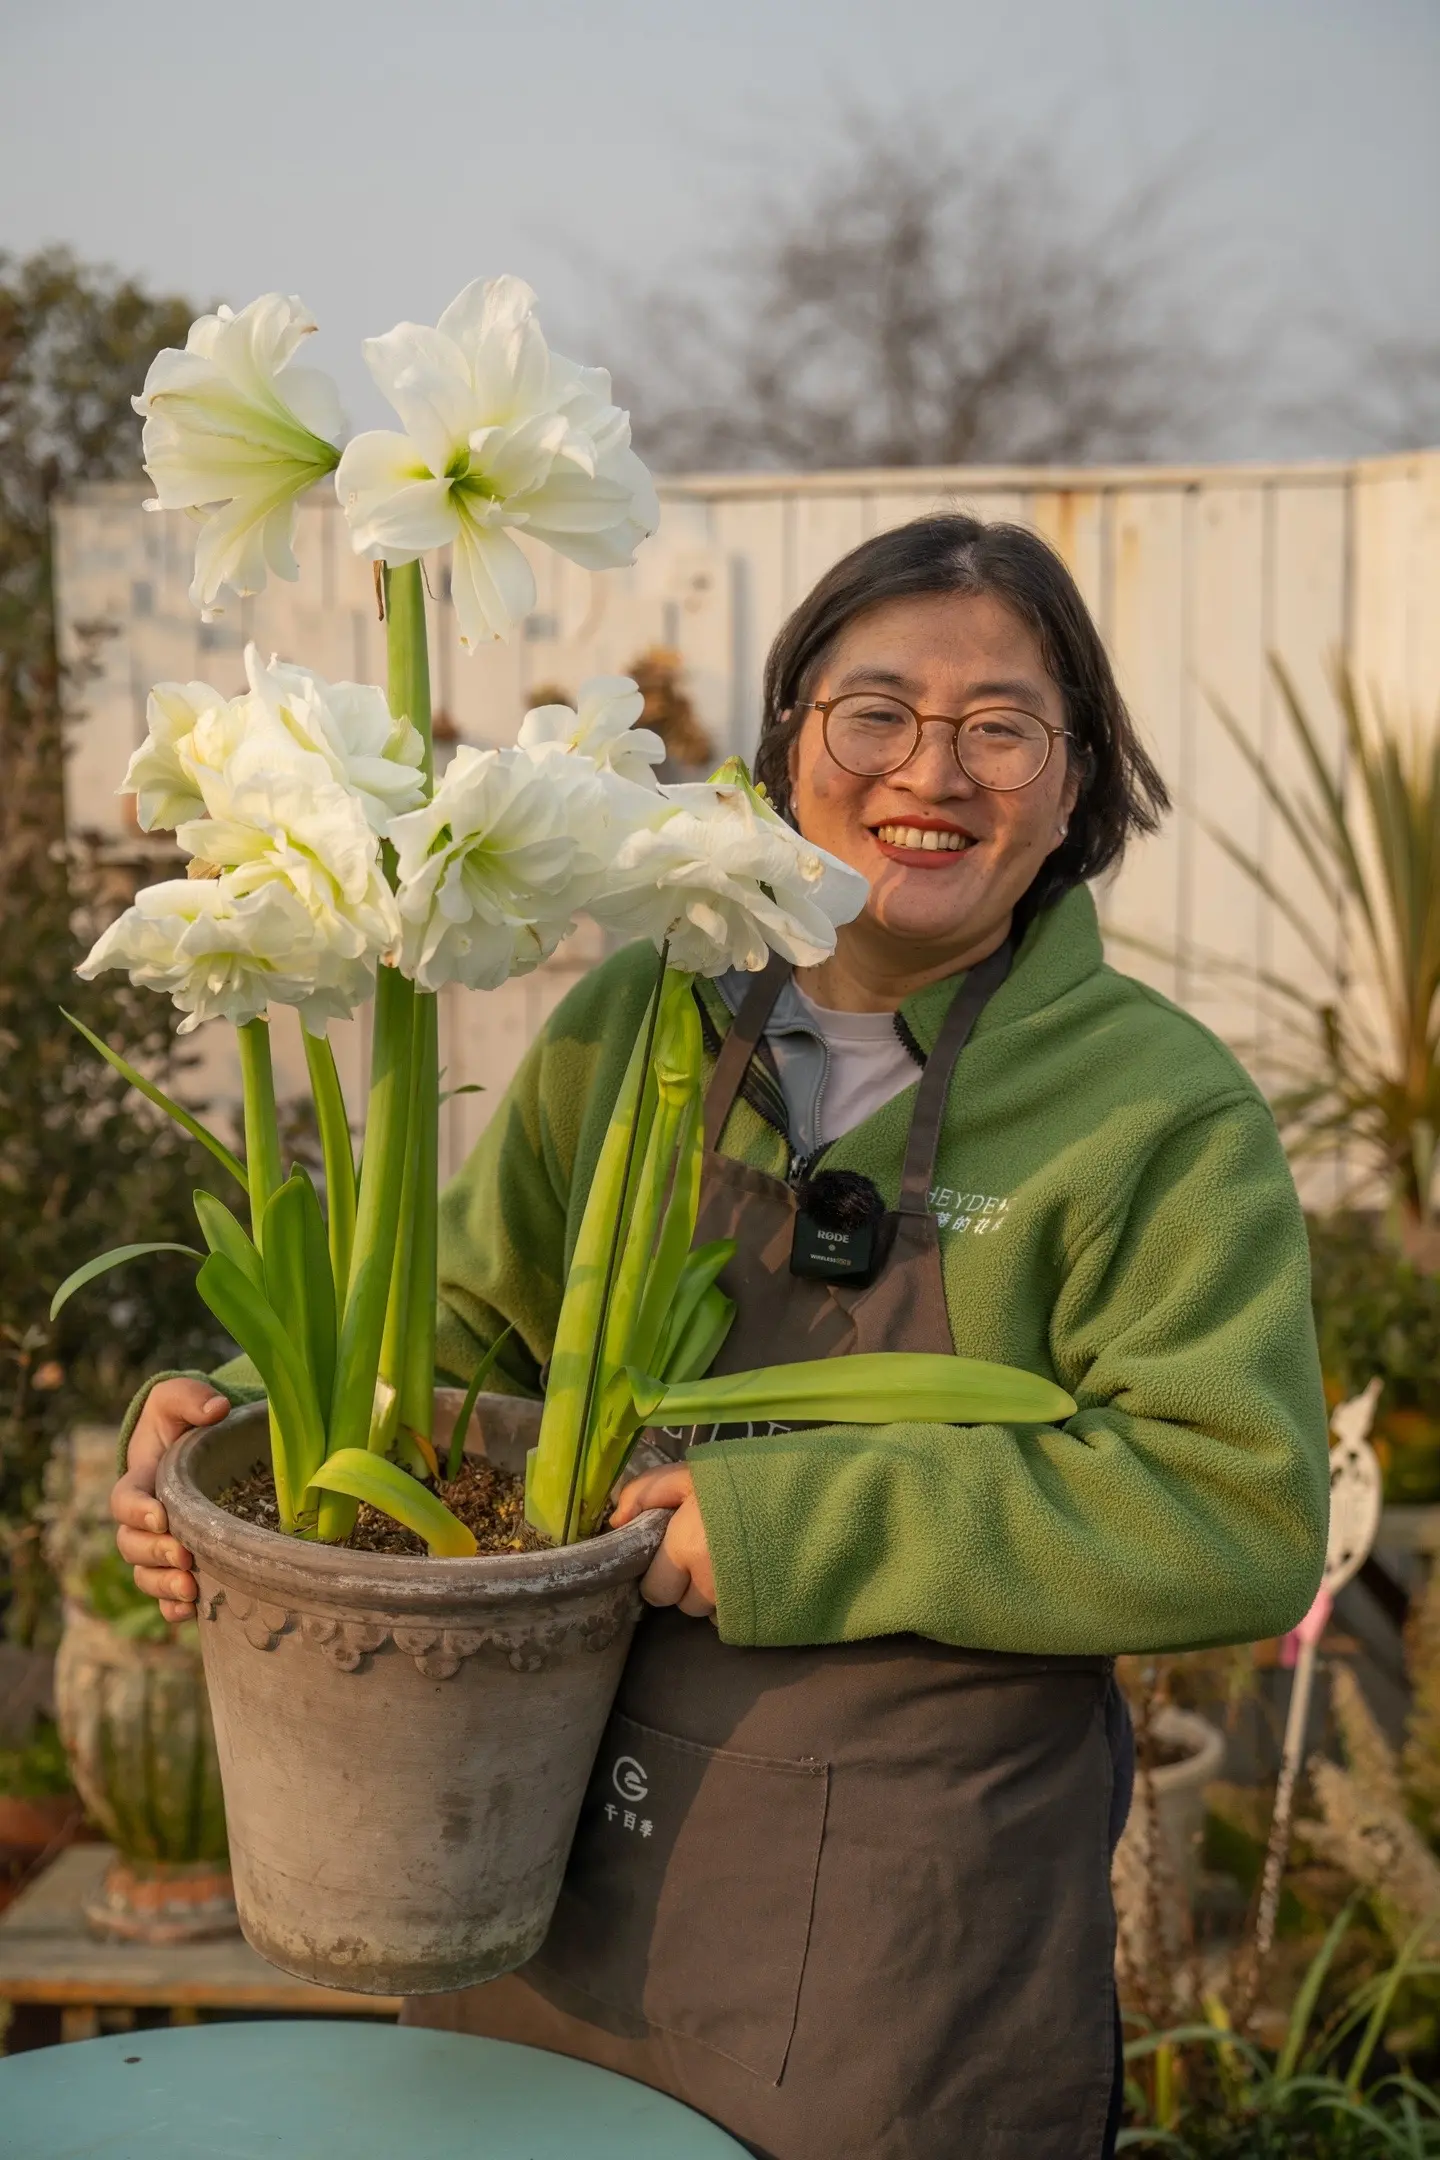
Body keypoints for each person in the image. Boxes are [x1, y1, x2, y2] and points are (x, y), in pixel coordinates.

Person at [111, 516, 1330, 2160]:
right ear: (785, 744)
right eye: (876, 710)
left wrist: (787, 1526)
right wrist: (249, 1434)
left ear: (1073, 780)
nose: (934, 770)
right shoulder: (641, 1011)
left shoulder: (1154, 1114)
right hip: (531, 1858)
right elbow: (463, 1319)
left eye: (1002, 728)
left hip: (907, 1956)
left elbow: (1238, 1514)